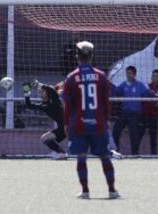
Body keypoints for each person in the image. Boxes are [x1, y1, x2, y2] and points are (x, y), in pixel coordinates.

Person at [63, 41, 119, 199]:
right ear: (92, 56)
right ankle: (112, 190)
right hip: (99, 123)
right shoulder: (101, 76)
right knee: (105, 156)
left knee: (81, 156)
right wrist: (107, 120)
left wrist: (66, 123)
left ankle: (85, 191)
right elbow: (106, 101)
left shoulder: (71, 78)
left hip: (79, 125)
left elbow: (67, 105)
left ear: (77, 57)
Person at [22, 81, 67, 160]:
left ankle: (61, 153)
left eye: (42, 91)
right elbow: (29, 106)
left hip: (69, 126)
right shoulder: (43, 105)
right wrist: (26, 93)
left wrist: (38, 84)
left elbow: (52, 90)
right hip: (62, 128)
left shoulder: (54, 98)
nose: (40, 93)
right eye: (39, 92)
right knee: (45, 139)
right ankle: (60, 153)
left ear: (47, 92)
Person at [112, 66, 151, 155]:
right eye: (127, 73)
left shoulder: (140, 85)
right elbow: (116, 92)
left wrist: (150, 91)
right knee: (116, 131)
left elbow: (147, 94)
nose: (128, 75)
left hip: (135, 114)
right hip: (124, 113)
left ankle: (134, 154)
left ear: (134, 74)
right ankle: (116, 151)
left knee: (134, 136)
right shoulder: (123, 85)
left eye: (130, 73)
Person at [139, 70, 158, 154]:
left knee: (153, 137)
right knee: (138, 135)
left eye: (157, 76)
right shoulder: (146, 87)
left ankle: (153, 155)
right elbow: (141, 99)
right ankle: (135, 153)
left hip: (154, 116)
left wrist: (155, 96)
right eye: (153, 76)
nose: (155, 78)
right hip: (144, 116)